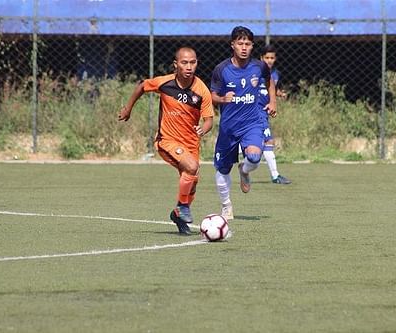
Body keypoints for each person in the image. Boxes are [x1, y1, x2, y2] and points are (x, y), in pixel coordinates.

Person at [118, 46, 214, 235]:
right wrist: (128, 108)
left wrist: (204, 128)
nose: (189, 67)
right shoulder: (165, 83)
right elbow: (142, 86)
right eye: (184, 63)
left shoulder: (202, 90)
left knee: (192, 182)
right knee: (192, 167)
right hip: (167, 140)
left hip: (191, 143)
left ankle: (177, 215)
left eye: (193, 62)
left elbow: (209, 119)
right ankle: (182, 208)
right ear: (176, 65)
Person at [210, 26, 277, 221]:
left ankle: (244, 170)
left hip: (252, 123)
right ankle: (226, 207)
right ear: (232, 45)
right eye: (240, 43)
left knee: (255, 157)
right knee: (222, 170)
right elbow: (212, 95)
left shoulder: (259, 66)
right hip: (229, 128)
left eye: (247, 44)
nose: (244, 47)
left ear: (252, 46)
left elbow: (269, 81)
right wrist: (223, 100)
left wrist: (273, 101)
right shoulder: (221, 69)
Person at [258, 44, 292, 185]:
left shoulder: (275, 74)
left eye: (272, 58)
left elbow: (270, 90)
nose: (270, 60)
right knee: (268, 141)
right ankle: (275, 175)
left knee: (258, 145)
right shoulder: (255, 72)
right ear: (261, 58)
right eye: (267, 58)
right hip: (256, 111)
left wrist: (279, 94)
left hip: (265, 112)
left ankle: (240, 159)